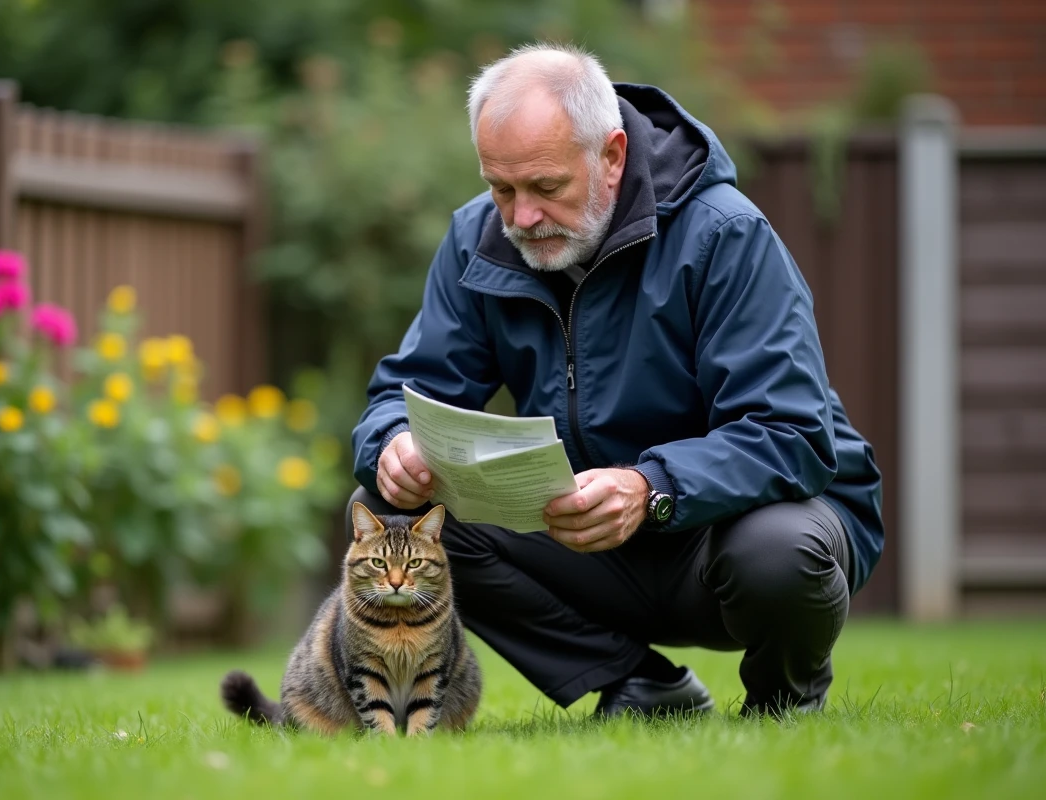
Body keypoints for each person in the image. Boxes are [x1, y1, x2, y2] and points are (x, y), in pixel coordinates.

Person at [348, 42, 883, 718]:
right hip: (585, 537)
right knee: (393, 517)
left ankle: (785, 699)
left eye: (546, 188)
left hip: (734, 536)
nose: (520, 218)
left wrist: (651, 487)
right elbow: (406, 390)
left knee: (778, 551)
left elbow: (793, 434)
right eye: (500, 188)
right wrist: (392, 442)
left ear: (612, 155)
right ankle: (642, 685)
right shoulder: (474, 239)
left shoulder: (727, 235)